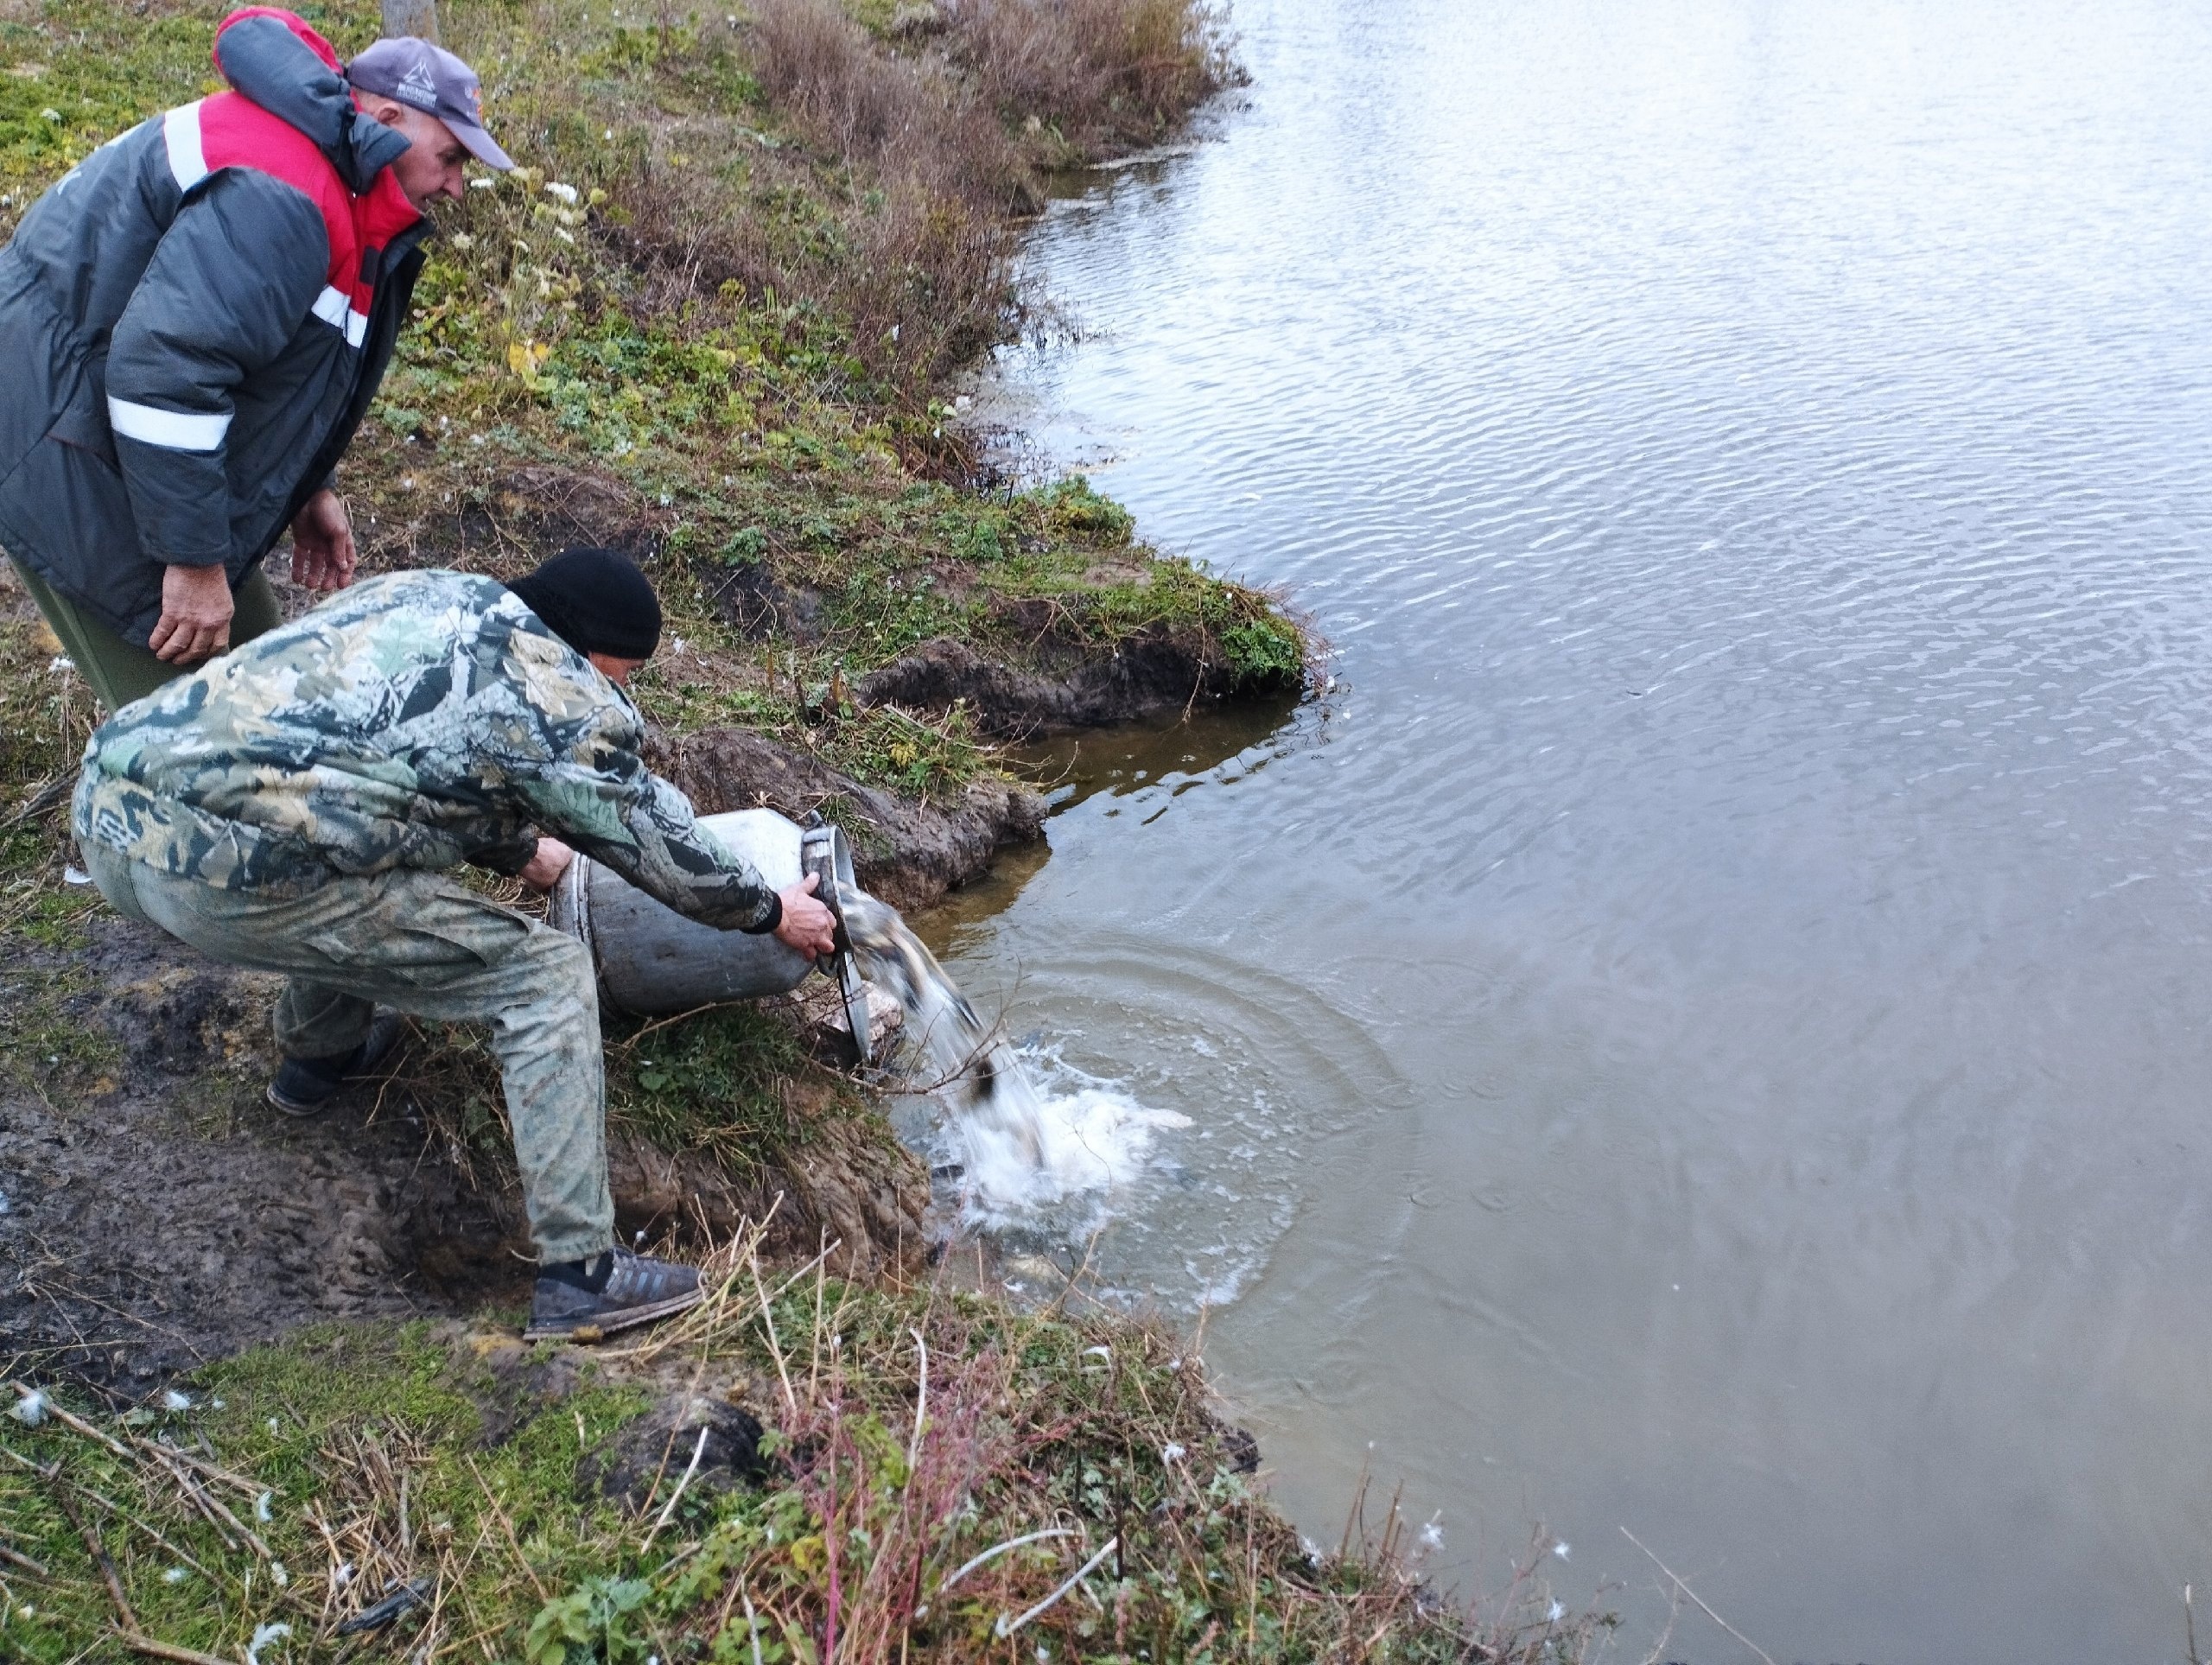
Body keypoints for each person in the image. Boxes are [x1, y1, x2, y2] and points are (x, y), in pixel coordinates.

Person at [70, 549, 842, 1341]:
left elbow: (390, 759)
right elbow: (658, 844)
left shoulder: (433, 596)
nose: (623, 688)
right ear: (593, 647)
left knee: (353, 849)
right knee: (543, 978)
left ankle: (317, 1058)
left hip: (113, 810)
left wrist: (519, 850)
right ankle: (582, 1273)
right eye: (627, 671)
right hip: (227, 875)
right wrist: (768, 911)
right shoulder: (558, 692)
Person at [0, 7, 512, 711]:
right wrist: (193, 560)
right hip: (58, 441)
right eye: (450, 157)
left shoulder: (337, 184)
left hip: (119, 445)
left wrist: (310, 486)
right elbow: (165, 369)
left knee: (258, 698)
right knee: (186, 739)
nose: (456, 185)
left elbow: (278, 358)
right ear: (390, 116)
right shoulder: (289, 192)